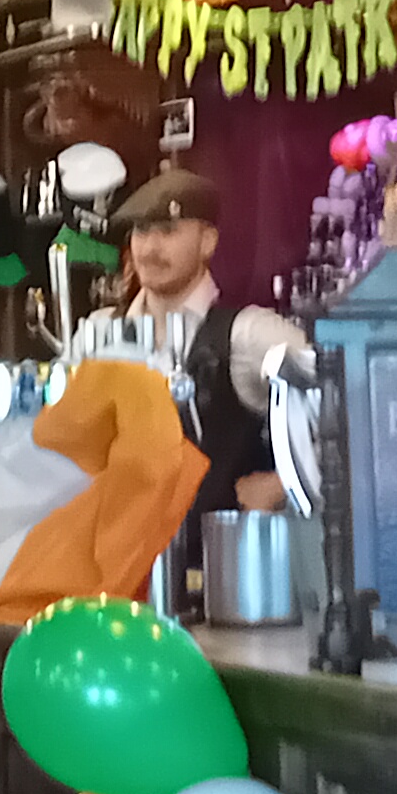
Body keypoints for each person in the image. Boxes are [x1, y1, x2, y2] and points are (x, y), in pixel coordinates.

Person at [64, 166, 307, 529]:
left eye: (167, 231)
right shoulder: (97, 334)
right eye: (141, 231)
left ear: (207, 240)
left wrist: (282, 483)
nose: (150, 248)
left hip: (215, 557)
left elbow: (343, 404)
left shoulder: (248, 333)